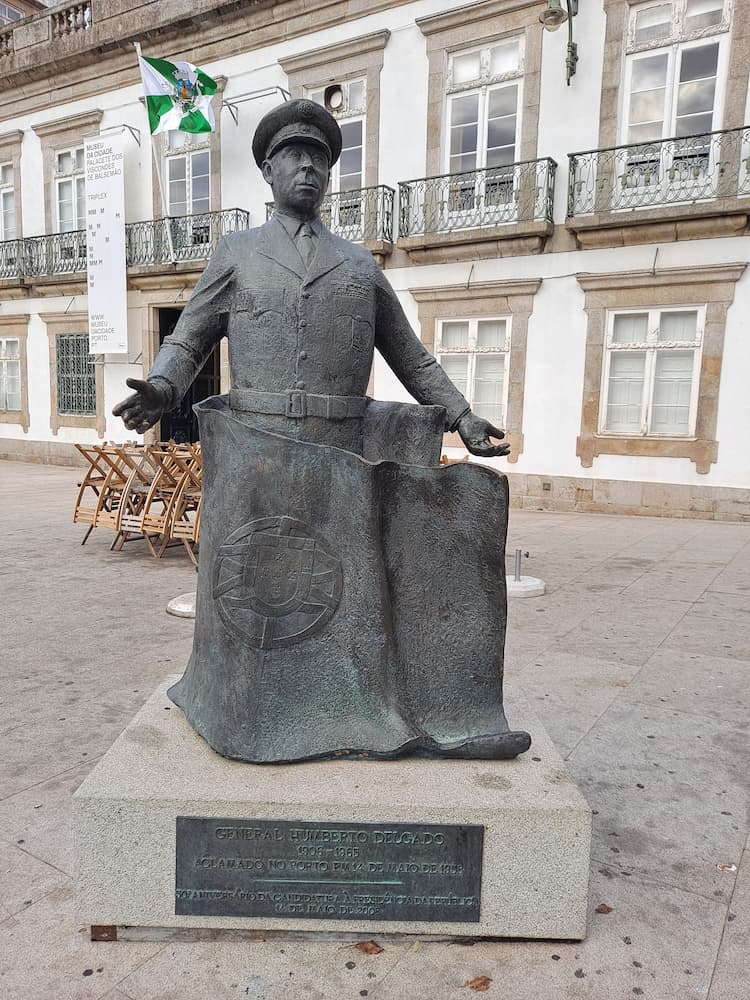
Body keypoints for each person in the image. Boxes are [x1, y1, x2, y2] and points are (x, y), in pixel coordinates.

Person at [114, 99, 530, 763]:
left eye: (321, 158)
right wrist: (163, 385)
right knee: (258, 603)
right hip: (258, 456)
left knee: (353, 597)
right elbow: (188, 335)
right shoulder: (237, 254)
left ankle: (362, 712)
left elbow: (410, 355)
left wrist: (461, 415)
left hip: (341, 455)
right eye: (294, 156)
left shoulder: (359, 266)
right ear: (269, 171)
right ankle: (243, 716)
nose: (308, 167)